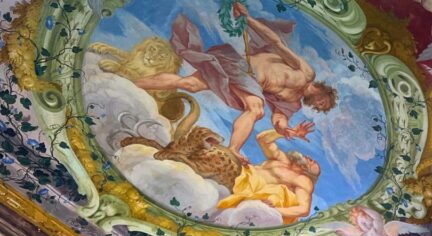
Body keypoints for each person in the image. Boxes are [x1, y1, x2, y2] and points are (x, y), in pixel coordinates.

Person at [133, 3, 338, 159]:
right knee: (255, 108)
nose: (319, 105)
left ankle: (134, 84)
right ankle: (233, 149)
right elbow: (277, 43)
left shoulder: (293, 102)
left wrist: (286, 130)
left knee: (190, 84)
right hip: (240, 65)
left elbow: (278, 118)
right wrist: (248, 19)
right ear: (323, 90)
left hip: (246, 82)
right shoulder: (306, 73)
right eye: (323, 101)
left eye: (320, 107)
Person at [215, 129, 319, 224]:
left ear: (308, 172)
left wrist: (273, 210)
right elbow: (262, 138)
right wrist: (287, 132)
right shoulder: (282, 158)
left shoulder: (302, 180)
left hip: (251, 197)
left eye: (313, 163)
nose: (311, 158)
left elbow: (303, 209)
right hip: (237, 179)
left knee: (279, 191)